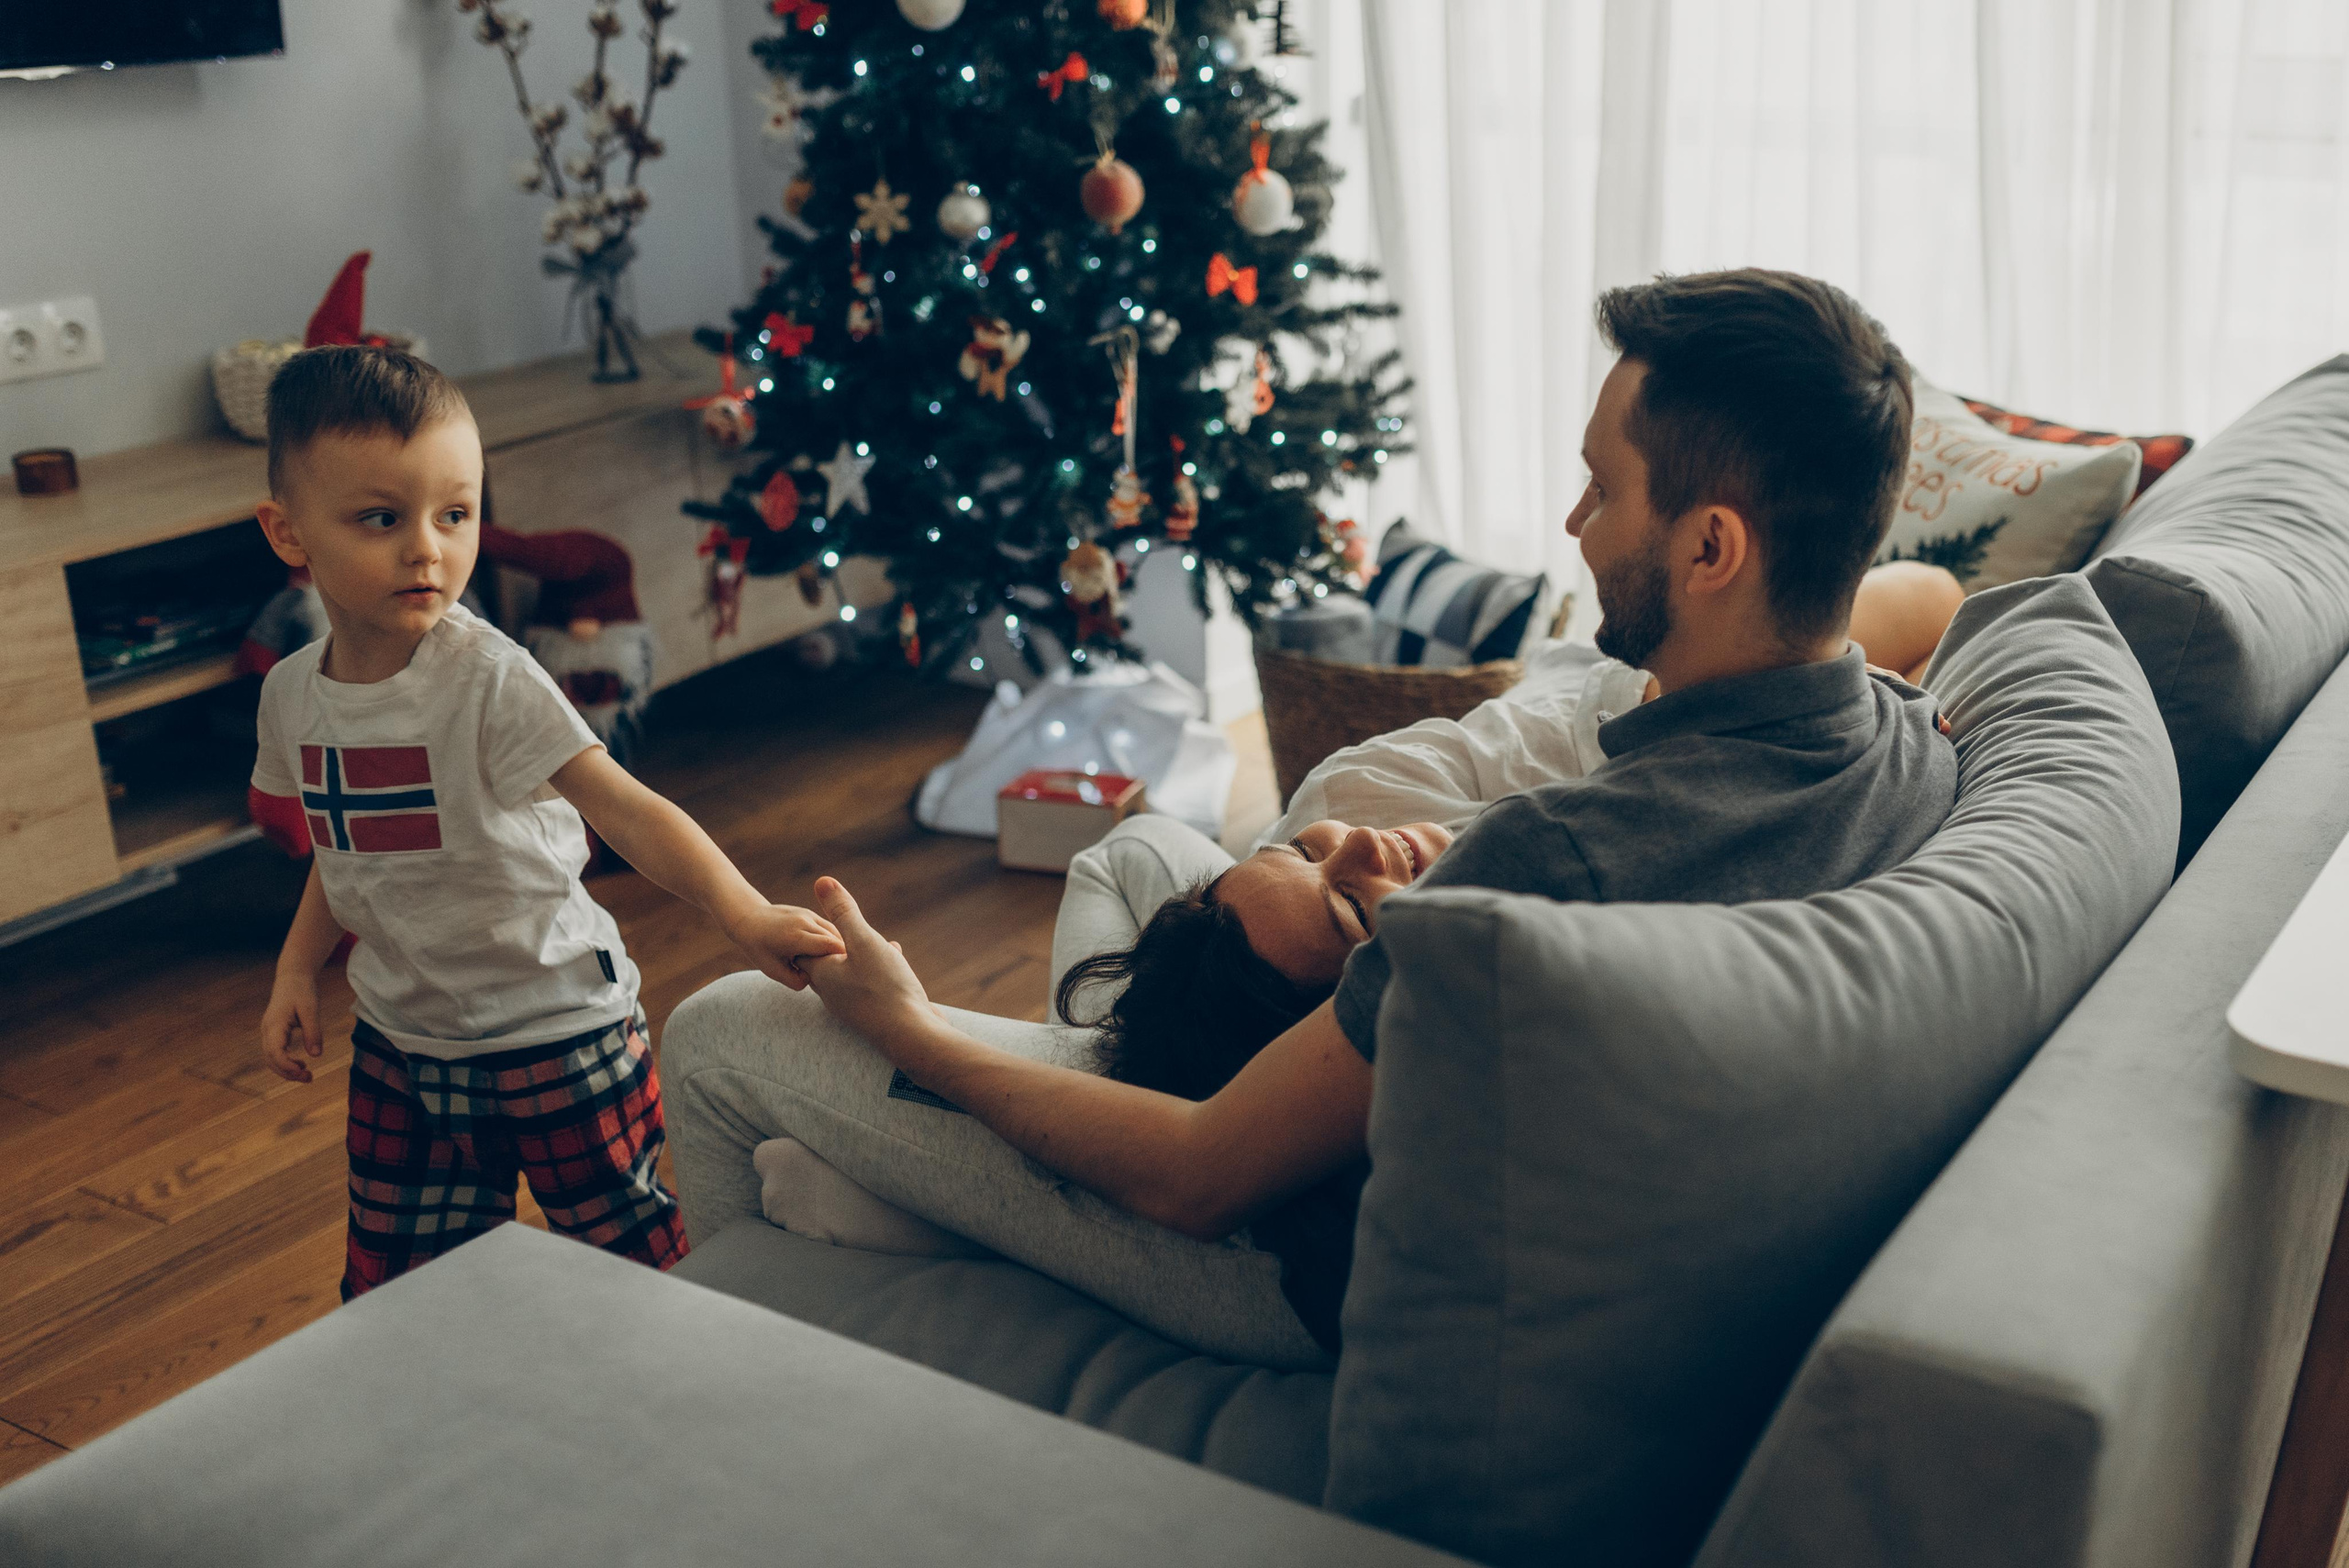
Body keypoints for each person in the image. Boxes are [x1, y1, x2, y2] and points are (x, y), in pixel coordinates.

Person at [665, 267, 1962, 1366]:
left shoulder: (1548, 861)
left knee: (729, 1027)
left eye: (1603, 490)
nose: (1573, 525)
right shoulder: (1911, 748)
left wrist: (908, 1031)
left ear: (1713, 548)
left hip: (1318, 1262)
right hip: (1449, 1150)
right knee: (1149, 858)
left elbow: (1198, 1174)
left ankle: (745, 1380)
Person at [248, 346, 844, 1301]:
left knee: (635, 1260)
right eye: (380, 518)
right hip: (404, 1044)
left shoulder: (489, 679)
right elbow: (344, 839)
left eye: (456, 513)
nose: (426, 548)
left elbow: (631, 810)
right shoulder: (291, 695)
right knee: (399, 1285)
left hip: (557, 1031)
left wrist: (744, 914)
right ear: (290, 532)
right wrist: (293, 969)